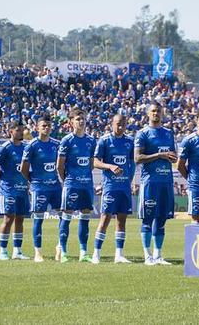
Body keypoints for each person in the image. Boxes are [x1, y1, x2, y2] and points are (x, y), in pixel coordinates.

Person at [134, 103, 176, 266]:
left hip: (166, 181)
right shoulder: (143, 133)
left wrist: (172, 157)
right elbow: (137, 158)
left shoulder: (168, 133)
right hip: (150, 182)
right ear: (147, 114)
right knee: (147, 219)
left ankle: (158, 255)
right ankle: (147, 256)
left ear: (162, 113)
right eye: (153, 111)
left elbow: (173, 156)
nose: (156, 113)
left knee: (161, 219)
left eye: (158, 111)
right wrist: (160, 155)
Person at [92, 114, 135, 264]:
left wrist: (130, 179)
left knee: (121, 220)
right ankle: (96, 253)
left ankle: (119, 254)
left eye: (123, 124)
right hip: (110, 186)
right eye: (118, 124)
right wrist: (109, 166)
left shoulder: (130, 141)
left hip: (124, 187)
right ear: (112, 124)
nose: (121, 127)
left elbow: (132, 163)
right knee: (105, 219)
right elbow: (95, 162)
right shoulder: (104, 140)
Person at [56, 108, 97, 263]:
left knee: (85, 217)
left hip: (86, 184)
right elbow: (59, 166)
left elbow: (91, 163)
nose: (81, 121)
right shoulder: (67, 140)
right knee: (67, 217)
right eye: (78, 118)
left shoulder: (91, 141)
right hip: (71, 184)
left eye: (83, 118)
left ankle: (83, 252)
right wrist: (66, 180)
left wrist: (84, 176)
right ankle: (64, 252)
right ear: (71, 122)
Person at [20, 114, 62, 262]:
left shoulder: (57, 144)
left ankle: (60, 248)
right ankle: (38, 252)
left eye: (49, 125)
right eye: (43, 125)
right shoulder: (32, 145)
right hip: (39, 188)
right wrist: (32, 181)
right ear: (37, 127)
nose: (46, 128)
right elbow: (23, 168)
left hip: (56, 187)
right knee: (38, 219)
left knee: (64, 216)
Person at [0, 121, 30, 261]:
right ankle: (3, 251)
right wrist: (4, 178)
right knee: (8, 219)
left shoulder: (26, 147)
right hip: (8, 190)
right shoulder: (4, 148)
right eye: (18, 130)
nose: (21, 132)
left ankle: (17, 251)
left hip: (22, 189)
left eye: (22, 130)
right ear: (11, 131)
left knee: (20, 219)